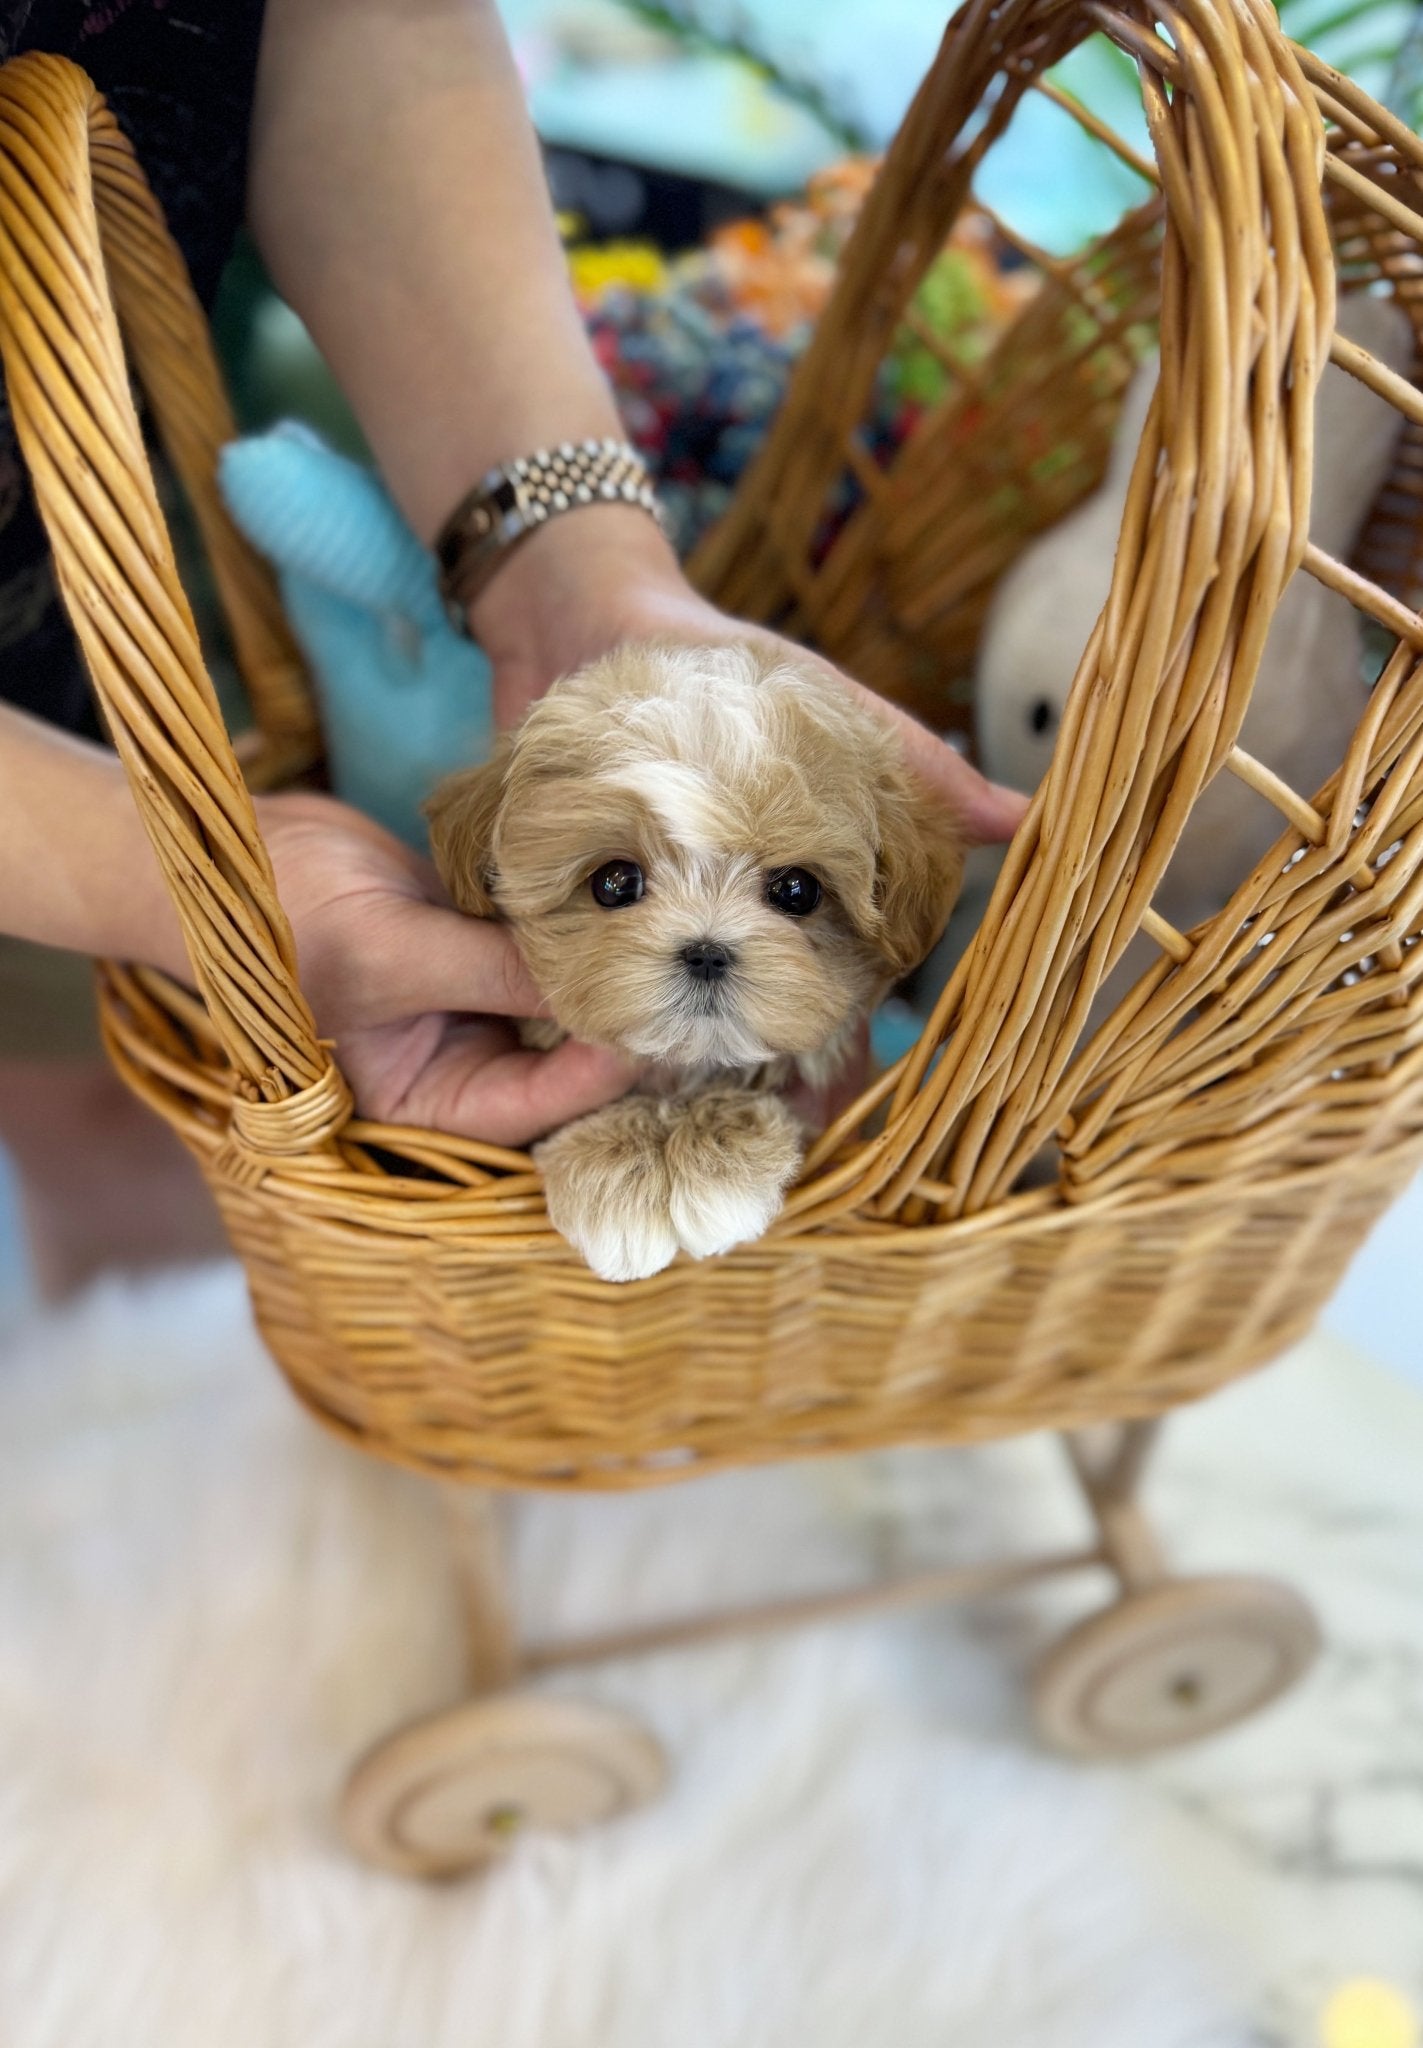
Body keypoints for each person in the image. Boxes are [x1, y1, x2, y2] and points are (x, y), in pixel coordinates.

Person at [0, 0, 1026, 1296]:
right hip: (83, 539)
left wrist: (573, 561)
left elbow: (350, 25)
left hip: (102, 517)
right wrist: (160, 887)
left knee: (121, 1121)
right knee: (92, 1131)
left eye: (794, 893)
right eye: (614, 886)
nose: (708, 942)